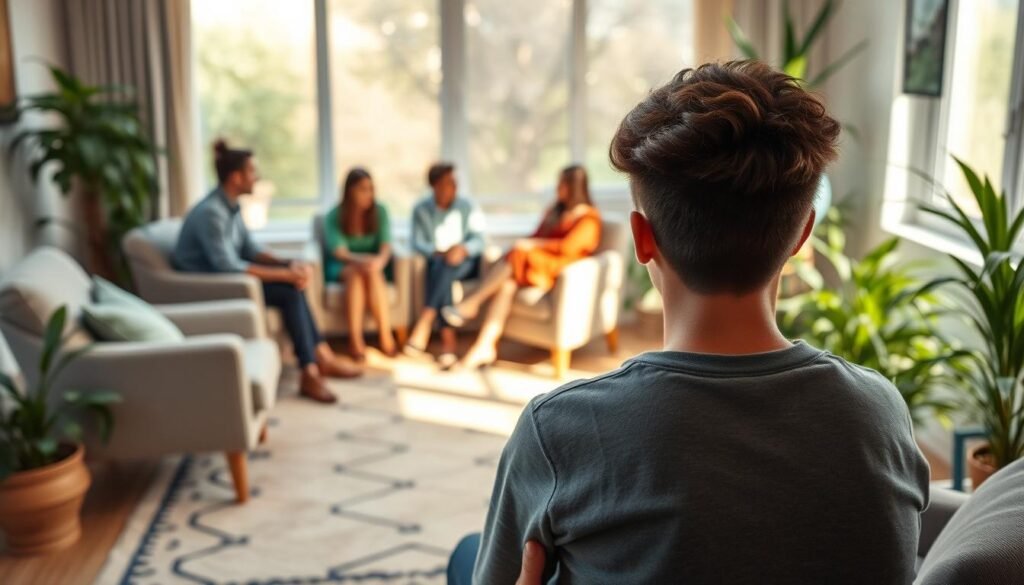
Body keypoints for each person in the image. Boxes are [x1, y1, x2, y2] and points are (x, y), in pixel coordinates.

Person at [465, 61, 931, 583]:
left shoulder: (559, 432)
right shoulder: (880, 415)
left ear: (643, 239)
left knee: (470, 553)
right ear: (802, 235)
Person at [173, 139, 362, 405]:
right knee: (288, 289)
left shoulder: (231, 207)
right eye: (252, 171)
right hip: (211, 287)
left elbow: (250, 248)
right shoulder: (211, 214)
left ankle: (321, 357)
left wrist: (288, 264)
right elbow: (227, 266)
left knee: (293, 284)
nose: (257, 177)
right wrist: (284, 276)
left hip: (230, 280)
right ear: (236, 177)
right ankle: (310, 369)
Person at [441, 165, 601, 370]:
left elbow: (568, 248)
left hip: (558, 269)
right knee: (507, 283)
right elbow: (535, 235)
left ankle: (473, 302)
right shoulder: (555, 210)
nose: (557, 188)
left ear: (574, 187)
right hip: (536, 263)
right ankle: (485, 346)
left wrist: (530, 246)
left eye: (561, 184)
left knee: (518, 253)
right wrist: (524, 243)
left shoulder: (589, 218)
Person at [404, 163, 486, 369]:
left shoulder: (467, 206)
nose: (454, 186)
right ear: (435, 186)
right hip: (438, 262)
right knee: (442, 266)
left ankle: (426, 318)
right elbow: (417, 242)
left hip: (466, 264)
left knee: (445, 265)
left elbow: (480, 240)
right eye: (448, 182)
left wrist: (463, 249)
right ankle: (448, 343)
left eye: (455, 181)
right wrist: (436, 251)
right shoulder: (421, 209)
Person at [323, 167, 396, 361]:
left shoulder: (380, 211)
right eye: (363, 189)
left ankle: (385, 335)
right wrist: (363, 260)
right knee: (356, 273)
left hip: (373, 267)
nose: (368, 194)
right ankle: (355, 340)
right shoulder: (334, 215)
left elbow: (386, 246)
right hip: (343, 265)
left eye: (371, 189)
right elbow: (340, 252)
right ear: (350, 191)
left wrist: (378, 261)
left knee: (371, 273)